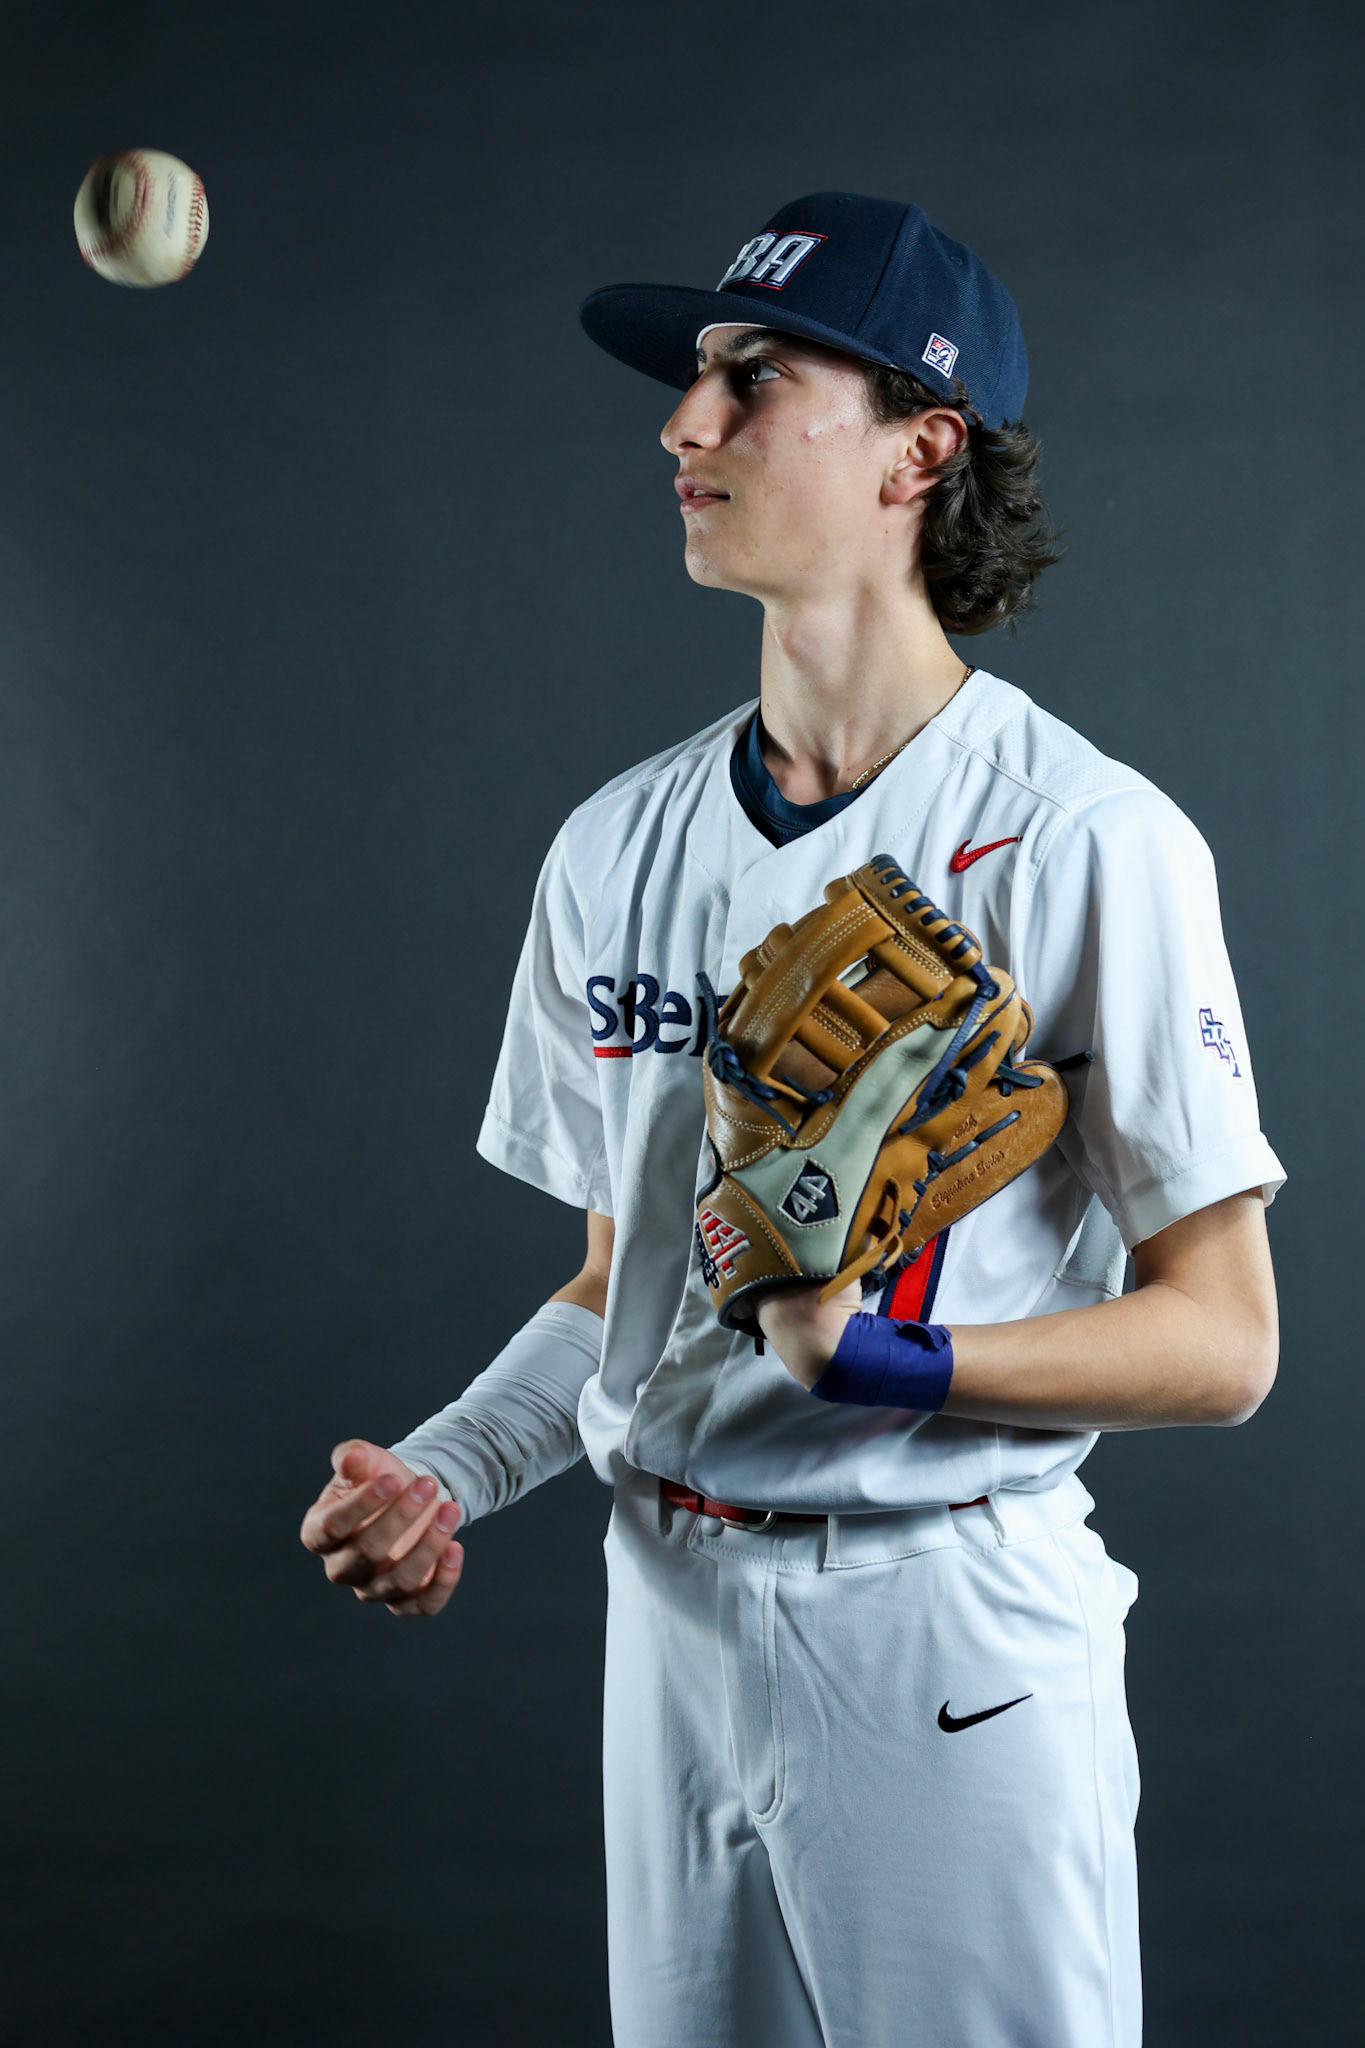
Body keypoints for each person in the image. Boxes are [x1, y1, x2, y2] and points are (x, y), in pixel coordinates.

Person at [299, 192, 1284, 2046]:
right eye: (692, 384)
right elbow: (623, 1290)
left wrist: (890, 1362)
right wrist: (446, 1467)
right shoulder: (616, 845)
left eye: (753, 381)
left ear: (925, 446)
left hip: (940, 1635)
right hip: (661, 1620)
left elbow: (1225, 1344)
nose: (685, 426)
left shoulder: (1086, 841)